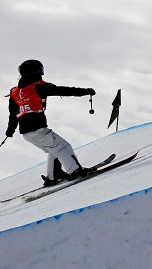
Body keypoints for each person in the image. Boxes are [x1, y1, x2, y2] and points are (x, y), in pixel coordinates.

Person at [5, 59, 97, 187]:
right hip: (38, 129)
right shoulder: (38, 86)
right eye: (41, 70)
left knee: (53, 149)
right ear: (35, 72)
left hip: (26, 132)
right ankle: (75, 171)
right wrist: (86, 91)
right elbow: (62, 90)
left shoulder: (15, 92)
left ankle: (53, 176)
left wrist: (10, 130)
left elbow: (13, 114)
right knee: (63, 147)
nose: (42, 74)